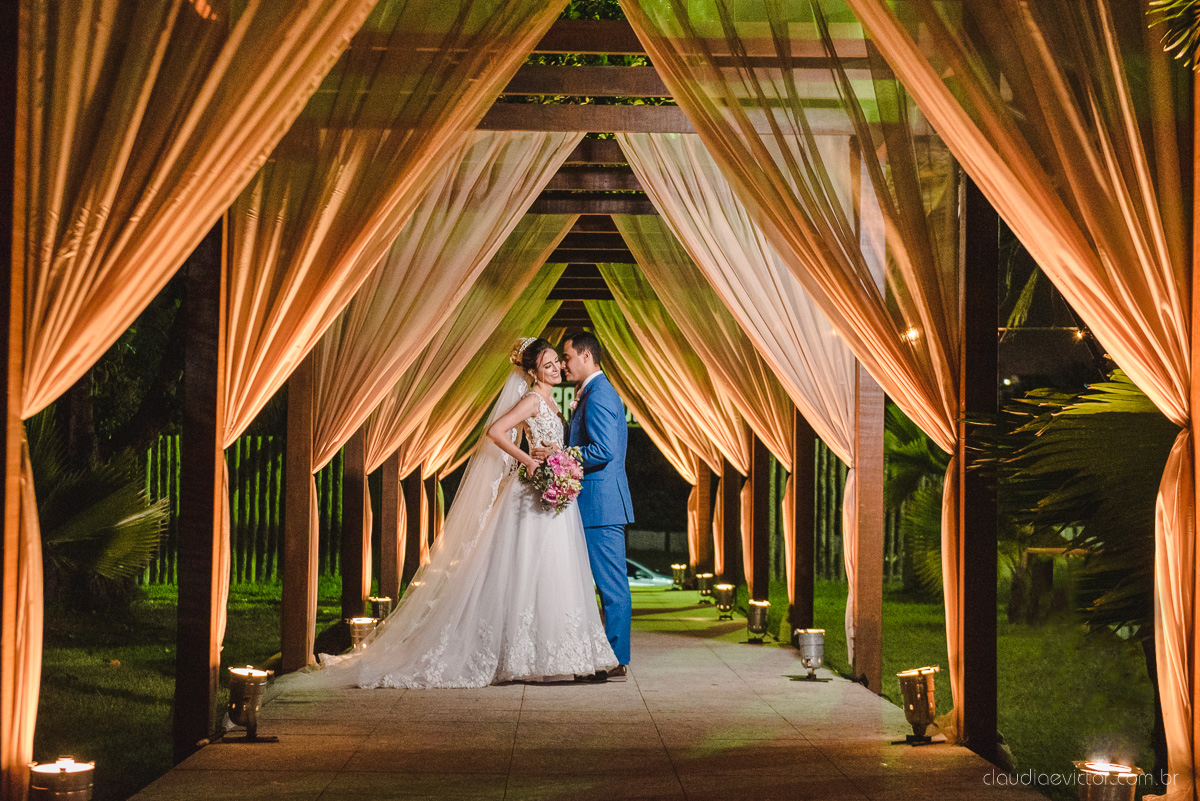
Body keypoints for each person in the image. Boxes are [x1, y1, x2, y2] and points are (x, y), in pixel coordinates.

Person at [292, 337, 617, 688]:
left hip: (551, 498)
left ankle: (553, 653)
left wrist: (557, 456)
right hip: (531, 494)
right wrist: (530, 461)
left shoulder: (553, 404)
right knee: (526, 570)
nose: (557, 368)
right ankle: (517, 654)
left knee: (550, 572)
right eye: (549, 364)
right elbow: (494, 431)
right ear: (532, 371)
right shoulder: (533, 399)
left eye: (558, 362)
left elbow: (551, 442)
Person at [537, 331, 634, 681]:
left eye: (567, 357)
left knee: (611, 588)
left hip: (601, 504)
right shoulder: (591, 392)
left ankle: (613, 659)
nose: (564, 364)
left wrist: (561, 455)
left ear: (587, 357)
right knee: (599, 586)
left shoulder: (601, 395)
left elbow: (604, 450)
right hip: (594, 503)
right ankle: (605, 657)